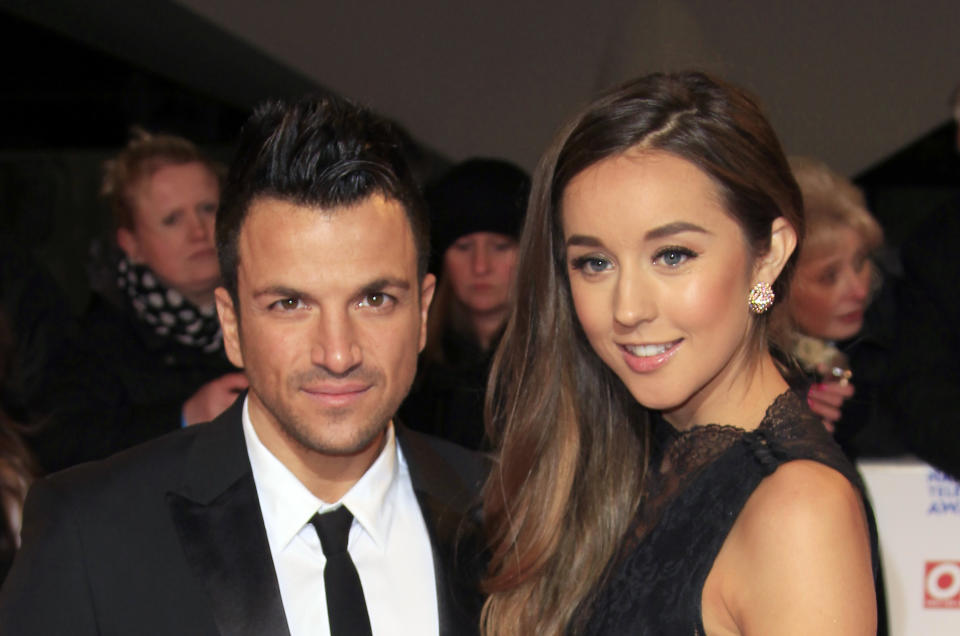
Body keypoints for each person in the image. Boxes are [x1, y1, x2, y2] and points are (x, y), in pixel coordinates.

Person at [0, 94, 487, 635]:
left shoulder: (516, 518)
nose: (338, 353)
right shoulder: (89, 537)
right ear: (231, 325)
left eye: (374, 300)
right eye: (290, 304)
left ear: (422, 312)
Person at [481, 71, 877, 635]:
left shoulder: (798, 509)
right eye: (594, 263)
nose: (627, 308)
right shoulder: (620, 460)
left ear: (769, 256)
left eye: (672, 255)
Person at [29, 131, 247, 472]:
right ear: (131, 243)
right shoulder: (95, 343)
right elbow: (57, 446)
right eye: (172, 219)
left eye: (208, 208)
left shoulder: (273, 310)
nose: (199, 231)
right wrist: (183, 417)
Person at [399, 158, 529, 450]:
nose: (481, 266)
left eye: (500, 246)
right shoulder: (410, 373)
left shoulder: (561, 368)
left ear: (528, 254)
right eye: (463, 247)